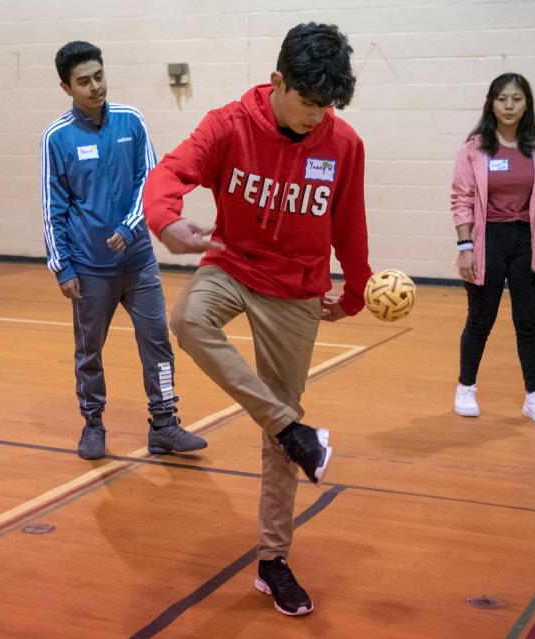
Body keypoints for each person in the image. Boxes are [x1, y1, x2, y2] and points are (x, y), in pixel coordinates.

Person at [143, 23, 371, 616]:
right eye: (307, 102)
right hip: (232, 263)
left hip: (297, 290)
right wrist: (168, 223)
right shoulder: (228, 125)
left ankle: (273, 561)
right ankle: (291, 428)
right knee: (188, 318)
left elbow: (350, 225)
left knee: (278, 447)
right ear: (277, 82)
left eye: (327, 105)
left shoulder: (343, 144)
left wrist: (353, 293)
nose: (316, 116)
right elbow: (168, 174)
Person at [41, 41, 207, 461]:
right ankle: (93, 425)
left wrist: (130, 227)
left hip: (138, 264)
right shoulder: (56, 138)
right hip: (89, 270)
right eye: (84, 81)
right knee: (88, 352)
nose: (95, 87)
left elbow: (149, 181)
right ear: (66, 87)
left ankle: (165, 424)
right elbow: (52, 208)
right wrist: (62, 268)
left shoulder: (131, 122)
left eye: (99, 76)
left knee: (158, 344)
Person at [450, 73, 535, 424]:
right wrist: (465, 246)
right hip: (487, 241)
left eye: (516, 99)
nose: (509, 106)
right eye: (502, 99)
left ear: (526, 103)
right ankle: (465, 387)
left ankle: (534, 396)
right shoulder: (474, 148)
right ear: (491, 103)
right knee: (480, 320)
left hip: (527, 241)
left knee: (529, 323)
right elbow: (462, 199)